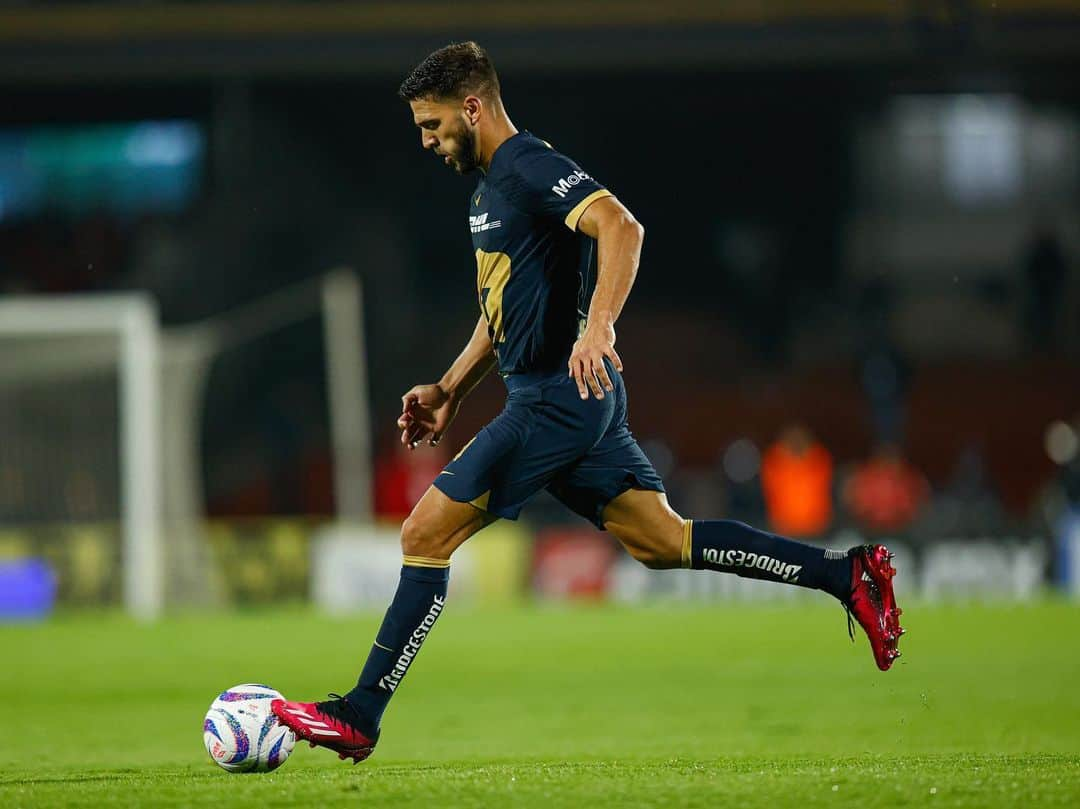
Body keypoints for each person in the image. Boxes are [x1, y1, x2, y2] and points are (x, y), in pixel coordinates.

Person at [272, 42, 903, 764]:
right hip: (567, 396)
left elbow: (622, 228)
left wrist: (599, 322)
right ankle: (843, 573)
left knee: (423, 535)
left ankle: (359, 714)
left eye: (433, 123)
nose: (426, 140)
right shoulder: (488, 192)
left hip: (557, 400)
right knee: (664, 542)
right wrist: (449, 387)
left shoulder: (526, 165)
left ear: (472, 107)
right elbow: (499, 310)